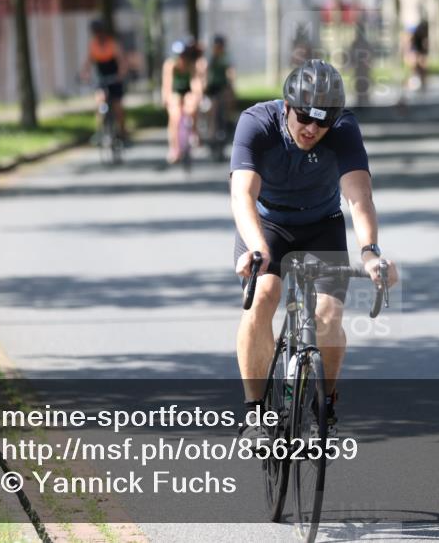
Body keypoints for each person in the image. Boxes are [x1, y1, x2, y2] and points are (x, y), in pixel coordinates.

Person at [231, 59, 400, 439]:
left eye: (322, 122)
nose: (312, 129)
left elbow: (359, 197)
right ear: (287, 106)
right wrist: (256, 248)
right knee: (265, 294)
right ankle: (256, 414)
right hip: (267, 225)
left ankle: (322, 408)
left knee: (328, 313)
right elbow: (243, 194)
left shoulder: (343, 130)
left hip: (321, 224)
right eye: (305, 117)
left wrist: (371, 252)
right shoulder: (257, 123)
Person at [80, 20, 128, 139]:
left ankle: (122, 131)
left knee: (118, 107)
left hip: (114, 78)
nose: (97, 35)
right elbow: (88, 63)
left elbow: (122, 61)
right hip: (101, 78)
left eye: (99, 32)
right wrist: (84, 74)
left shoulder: (113, 44)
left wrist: (121, 74)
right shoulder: (93, 45)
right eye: (95, 32)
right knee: (100, 101)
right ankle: (100, 131)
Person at [161, 37, 204, 164]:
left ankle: (194, 132)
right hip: (175, 92)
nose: (182, 58)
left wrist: (198, 95)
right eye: (179, 55)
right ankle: (174, 148)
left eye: (184, 55)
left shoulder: (192, 65)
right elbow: (167, 84)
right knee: (175, 116)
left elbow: (195, 83)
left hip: (187, 91)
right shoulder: (170, 65)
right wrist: (167, 98)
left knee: (192, 106)